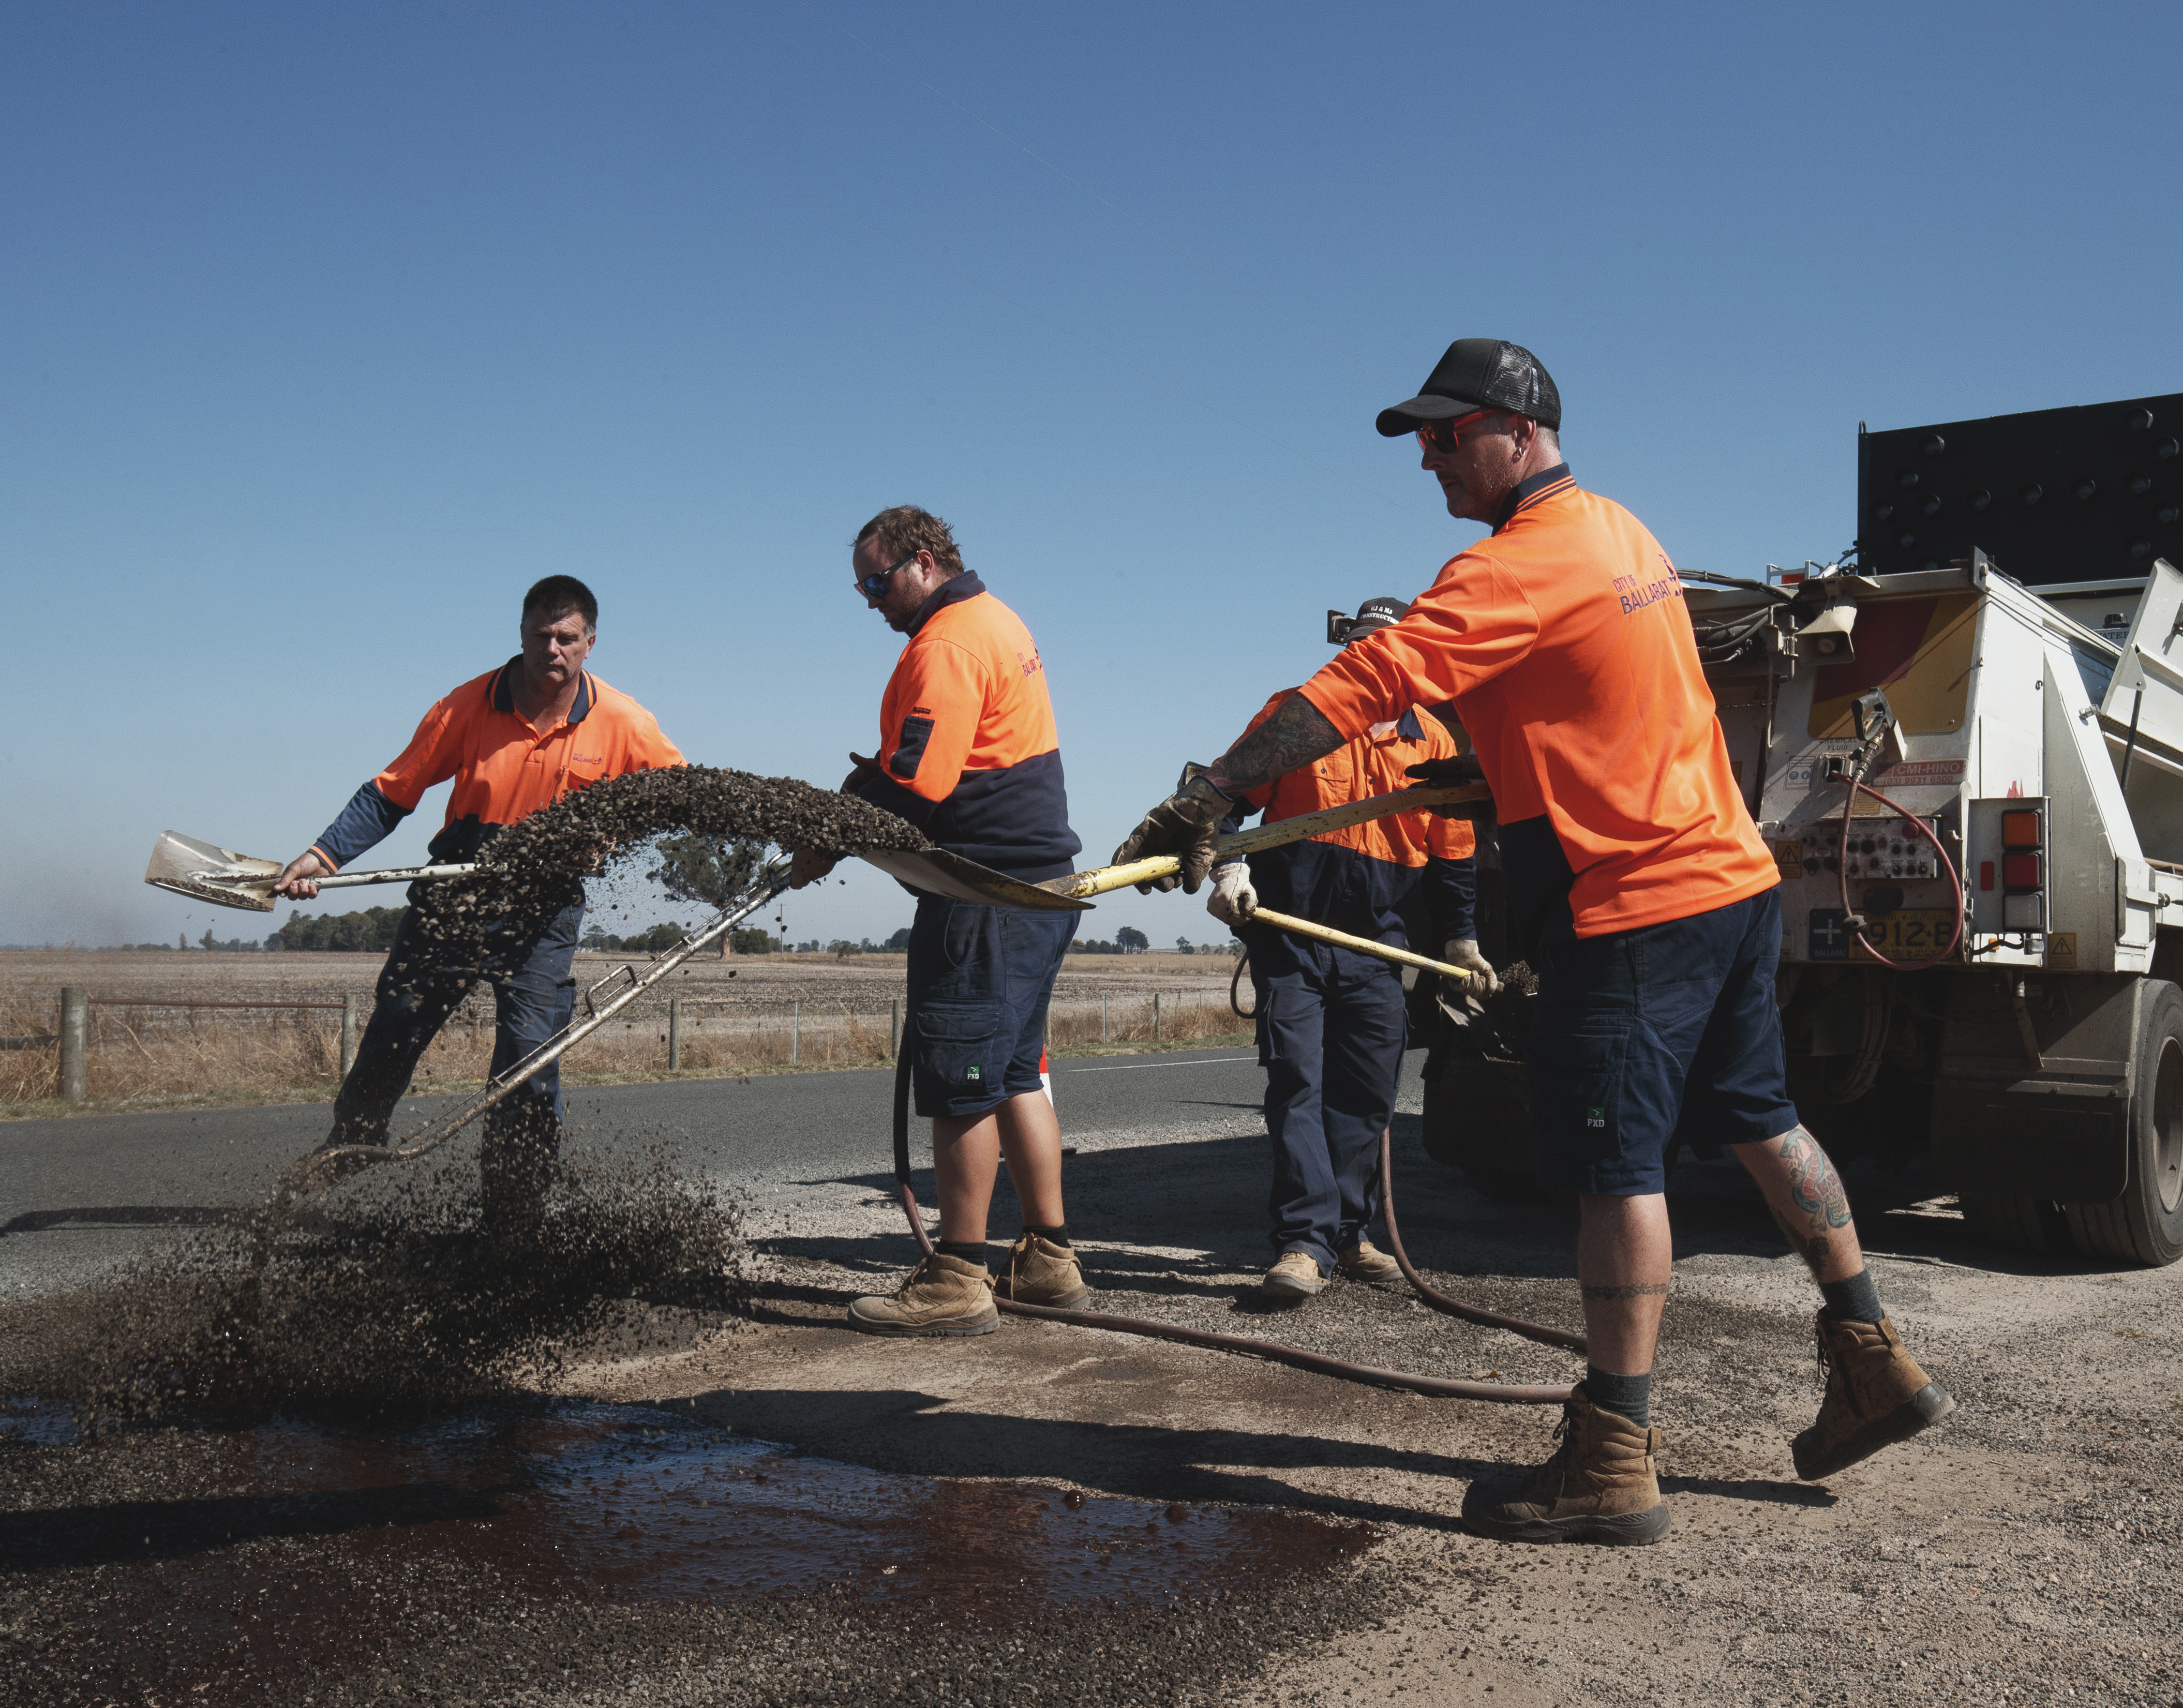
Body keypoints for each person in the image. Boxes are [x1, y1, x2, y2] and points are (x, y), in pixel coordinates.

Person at [1114, 339, 1953, 1544]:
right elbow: (1586, 695)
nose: (1426, 455)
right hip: (1725, 880)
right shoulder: (1621, 531)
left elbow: (1363, 682)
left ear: (1513, 426)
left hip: (1634, 903)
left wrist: (1212, 793)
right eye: (1421, 437)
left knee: (1615, 1168)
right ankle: (1870, 1350)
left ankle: (1612, 1452)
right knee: (1763, 1120)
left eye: (1445, 433)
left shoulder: (1515, 561)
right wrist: (1490, 768)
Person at [273, 575, 684, 1233]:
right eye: (540, 635)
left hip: (545, 910)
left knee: (529, 1056)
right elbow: (391, 792)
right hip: (456, 893)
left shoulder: (624, 720)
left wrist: (613, 831)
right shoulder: (466, 706)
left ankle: (512, 1213)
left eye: (567, 638)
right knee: (397, 1020)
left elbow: (674, 792)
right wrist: (323, 857)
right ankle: (354, 1139)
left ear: (590, 643)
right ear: (520, 634)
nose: (553, 648)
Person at [789, 505, 1086, 1336]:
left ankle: (958, 1275)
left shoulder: (948, 641)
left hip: (982, 893)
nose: (872, 600)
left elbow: (918, 781)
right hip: (1036, 889)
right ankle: (1049, 1257)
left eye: (878, 581)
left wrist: (830, 829)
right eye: (861, 587)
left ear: (923, 562)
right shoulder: (996, 618)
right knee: (1019, 1071)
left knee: (961, 1084)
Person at [1201, 598, 1499, 1300]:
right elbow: (1223, 795)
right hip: (1291, 931)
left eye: (1383, 649)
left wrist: (1461, 936)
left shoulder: (1431, 742)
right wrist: (1228, 869)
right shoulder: (1295, 717)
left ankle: (1348, 1233)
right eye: (1360, 648)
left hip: (1374, 942)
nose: (1369, 662)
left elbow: (1453, 854)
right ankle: (1303, 1243)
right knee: (1298, 1082)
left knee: (1366, 1094)